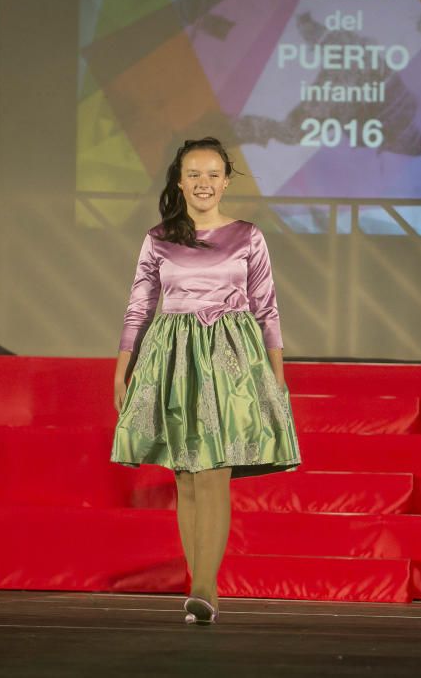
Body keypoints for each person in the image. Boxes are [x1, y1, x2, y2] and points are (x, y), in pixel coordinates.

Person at [111, 137, 302, 625]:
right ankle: (198, 588)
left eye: (213, 173)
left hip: (231, 360)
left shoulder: (248, 236)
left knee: (215, 471)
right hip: (173, 358)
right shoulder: (158, 238)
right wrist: (123, 364)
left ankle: (205, 586)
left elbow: (267, 307)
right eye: (194, 174)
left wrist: (277, 379)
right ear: (180, 180)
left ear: (226, 179)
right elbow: (140, 303)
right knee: (187, 476)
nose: (203, 182)